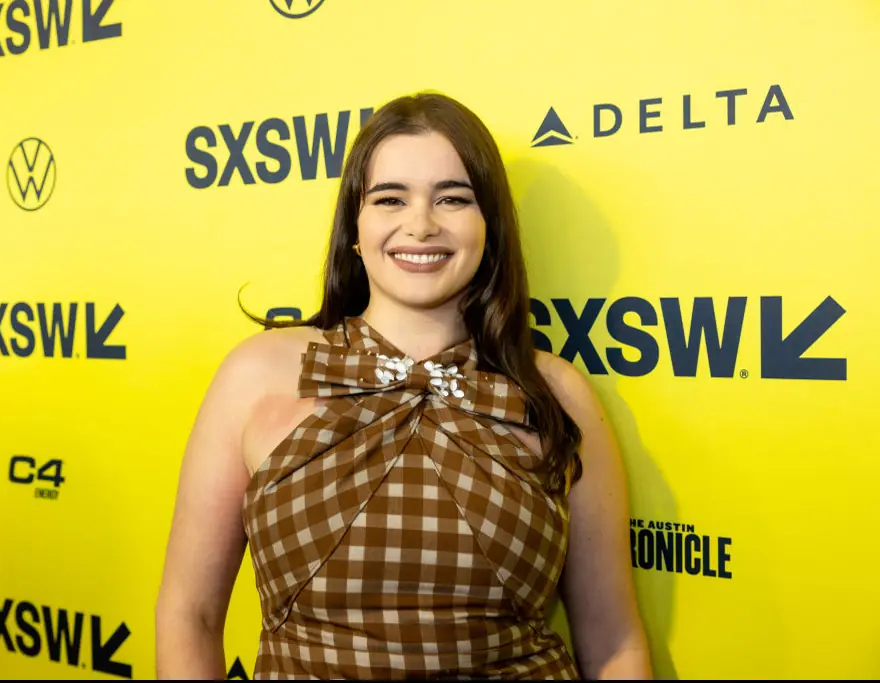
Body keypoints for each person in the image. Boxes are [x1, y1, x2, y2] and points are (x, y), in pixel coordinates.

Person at [155, 91, 652, 680]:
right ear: (356, 228)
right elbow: (190, 614)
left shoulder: (556, 393)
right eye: (391, 198)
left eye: (453, 198)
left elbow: (615, 643)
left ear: (488, 227)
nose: (421, 224)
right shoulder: (257, 374)